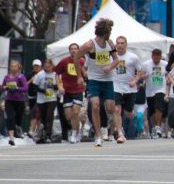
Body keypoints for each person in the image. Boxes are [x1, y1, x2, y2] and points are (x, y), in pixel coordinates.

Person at [75, 18, 119, 147]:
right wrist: (79, 76)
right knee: (95, 105)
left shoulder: (110, 43)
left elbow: (116, 60)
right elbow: (77, 56)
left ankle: (112, 131)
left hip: (107, 79)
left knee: (111, 108)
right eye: (109, 31)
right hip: (94, 79)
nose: (110, 33)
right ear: (104, 32)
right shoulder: (90, 45)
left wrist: (109, 67)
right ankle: (98, 135)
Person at [112, 36, 143, 142]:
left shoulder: (133, 57)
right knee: (117, 110)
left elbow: (141, 71)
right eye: (118, 43)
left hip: (130, 88)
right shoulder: (111, 56)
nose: (120, 45)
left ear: (126, 44)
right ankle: (120, 133)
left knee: (128, 113)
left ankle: (139, 124)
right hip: (116, 86)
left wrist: (135, 81)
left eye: (122, 43)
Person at [55, 43, 86, 144]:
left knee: (76, 112)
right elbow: (56, 74)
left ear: (78, 50)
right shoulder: (64, 61)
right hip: (67, 91)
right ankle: (77, 127)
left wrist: (85, 79)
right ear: (69, 51)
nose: (73, 50)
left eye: (75, 48)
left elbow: (85, 73)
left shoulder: (82, 61)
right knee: (69, 116)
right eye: (71, 49)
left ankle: (74, 133)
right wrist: (60, 86)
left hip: (78, 90)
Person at [141, 48, 169, 138]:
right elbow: (141, 75)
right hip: (149, 91)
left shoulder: (165, 64)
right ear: (152, 56)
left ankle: (158, 127)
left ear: (161, 57)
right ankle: (155, 128)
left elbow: (169, 75)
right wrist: (144, 76)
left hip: (161, 89)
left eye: (158, 56)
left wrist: (168, 84)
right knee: (152, 110)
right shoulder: (146, 64)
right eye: (154, 56)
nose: (156, 58)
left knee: (159, 106)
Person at [30, 59, 59, 143]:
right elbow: (34, 86)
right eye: (46, 66)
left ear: (52, 66)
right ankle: (42, 134)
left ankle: (48, 135)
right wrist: (43, 91)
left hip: (52, 98)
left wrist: (54, 86)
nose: (48, 68)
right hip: (41, 99)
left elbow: (59, 85)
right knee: (43, 117)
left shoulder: (55, 74)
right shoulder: (40, 74)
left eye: (49, 66)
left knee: (49, 116)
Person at [1, 60, 30, 139]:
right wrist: (5, 87)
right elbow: (2, 86)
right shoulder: (7, 77)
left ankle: (18, 129)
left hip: (19, 101)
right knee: (10, 117)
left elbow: (25, 88)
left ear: (18, 67)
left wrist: (17, 88)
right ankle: (11, 136)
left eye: (15, 66)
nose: (13, 68)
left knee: (18, 118)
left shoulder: (21, 77)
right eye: (12, 66)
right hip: (9, 100)